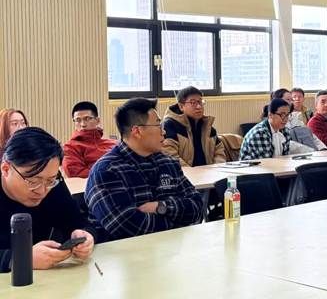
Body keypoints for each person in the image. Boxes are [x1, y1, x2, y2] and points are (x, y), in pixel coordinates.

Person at [85, 98, 204, 242]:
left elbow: (198, 207)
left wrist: (162, 206)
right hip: (124, 254)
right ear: (137, 131)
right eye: (158, 125)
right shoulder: (107, 171)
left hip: (170, 249)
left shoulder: (168, 162)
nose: (164, 131)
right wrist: (178, 223)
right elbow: (127, 228)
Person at [1, 127, 95, 273]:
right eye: (32, 181)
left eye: (50, 180)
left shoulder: (52, 184)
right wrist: (19, 258)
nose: (41, 190)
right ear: (6, 169)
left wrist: (84, 236)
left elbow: (79, 222)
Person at [162, 86, 226, 167]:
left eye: (200, 102)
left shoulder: (208, 127)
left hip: (210, 173)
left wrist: (216, 169)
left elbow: (219, 152)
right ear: (181, 106)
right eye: (193, 103)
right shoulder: (170, 125)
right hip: (184, 174)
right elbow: (169, 154)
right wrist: (191, 172)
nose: (199, 106)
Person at [62, 101, 117, 178]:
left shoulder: (114, 143)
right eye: (78, 120)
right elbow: (75, 173)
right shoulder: (70, 147)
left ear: (97, 120)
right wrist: (110, 174)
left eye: (87, 119)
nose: (83, 124)